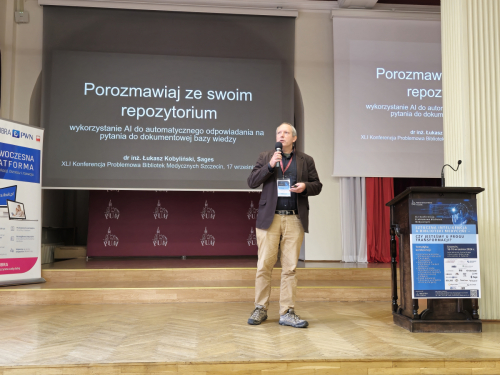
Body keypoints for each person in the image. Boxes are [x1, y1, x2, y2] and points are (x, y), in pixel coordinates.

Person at [247, 122, 322, 328]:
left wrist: (306, 186)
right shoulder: (266, 157)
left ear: (294, 138)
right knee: (264, 266)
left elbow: (318, 185)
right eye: (279, 132)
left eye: (286, 132)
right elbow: (252, 181)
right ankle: (260, 308)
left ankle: (287, 312)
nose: (282, 135)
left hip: (294, 218)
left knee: (290, 268)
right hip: (270, 218)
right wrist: (270, 165)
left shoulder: (306, 160)